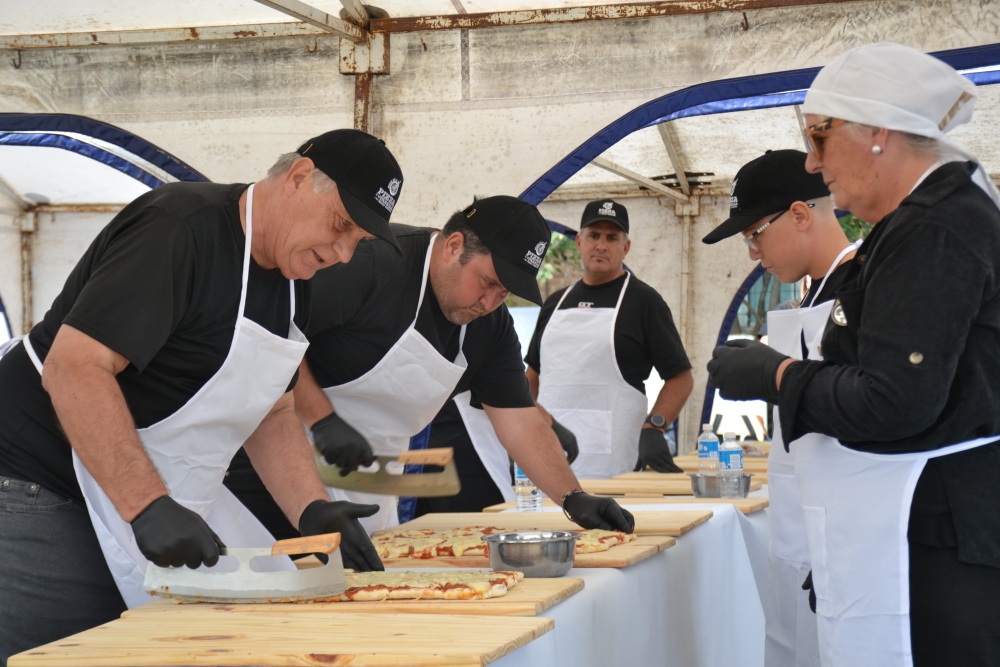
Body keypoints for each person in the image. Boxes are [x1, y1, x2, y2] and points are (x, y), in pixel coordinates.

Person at [0, 128, 405, 664]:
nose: (345, 254)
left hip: (134, 488)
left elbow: (274, 408)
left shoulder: (291, 276)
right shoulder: (178, 229)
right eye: (341, 226)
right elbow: (75, 369)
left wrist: (311, 510)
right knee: (74, 655)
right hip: (41, 476)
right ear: (298, 178)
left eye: (361, 241)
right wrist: (146, 506)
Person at [707, 43, 1000, 667]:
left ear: (878, 134)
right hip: (912, 526)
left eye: (819, 136)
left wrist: (777, 373)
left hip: (938, 533)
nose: (812, 163)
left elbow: (895, 400)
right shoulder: (914, 223)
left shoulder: (935, 226)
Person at [225, 195, 635, 536]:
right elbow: (276, 342)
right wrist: (321, 419)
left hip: (367, 485)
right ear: (454, 246)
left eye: (504, 292)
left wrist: (571, 497)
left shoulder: (490, 326)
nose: (490, 303)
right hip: (273, 459)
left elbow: (519, 421)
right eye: (488, 282)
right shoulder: (371, 264)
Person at [702, 148, 854, 667]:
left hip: (845, 540)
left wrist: (776, 374)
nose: (752, 252)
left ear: (799, 214)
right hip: (798, 528)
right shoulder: (810, 296)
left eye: (754, 234)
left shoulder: (860, 286)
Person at [525, 199, 693, 478]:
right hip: (550, 461)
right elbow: (532, 376)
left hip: (616, 468)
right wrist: (527, 428)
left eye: (612, 237)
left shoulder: (645, 302)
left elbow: (681, 378)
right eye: (594, 235)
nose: (601, 245)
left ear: (625, 248)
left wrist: (655, 426)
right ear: (579, 242)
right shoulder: (555, 303)